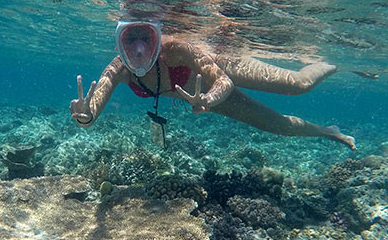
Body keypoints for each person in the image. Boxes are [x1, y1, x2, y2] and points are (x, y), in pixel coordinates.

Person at [70, 20, 356, 150]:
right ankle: (328, 132)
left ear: (157, 37)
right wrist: (86, 117)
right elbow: (93, 109)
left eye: (147, 38)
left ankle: (335, 63)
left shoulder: (177, 50)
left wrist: (208, 98)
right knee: (276, 125)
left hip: (222, 66)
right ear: (120, 42)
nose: (140, 50)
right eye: (130, 40)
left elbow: (223, 80)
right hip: (204, 98)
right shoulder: (118, 68)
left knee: (298, 83)